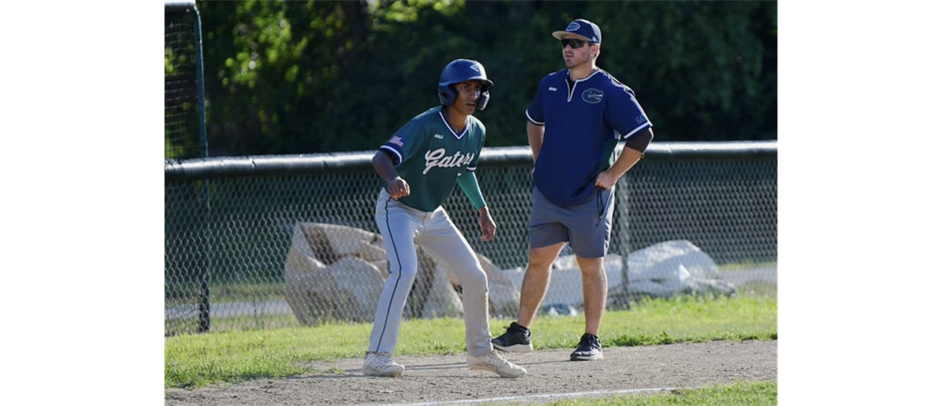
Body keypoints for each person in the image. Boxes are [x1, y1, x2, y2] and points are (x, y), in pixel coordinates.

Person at [491, 18, 654, 361]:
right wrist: (539, 159)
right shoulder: (550, 84)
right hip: (549, 192)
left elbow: (642, 135)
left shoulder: (611, 91)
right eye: (565, 42)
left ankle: (591, 339)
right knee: (537, 260)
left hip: (587, 196)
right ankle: (521, 332)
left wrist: (612, 174)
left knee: (590, 265)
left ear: (594, 50)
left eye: (577, 43)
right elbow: (535, 122)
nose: (568, 48)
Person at [363, 59, 527, 379]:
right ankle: (377, 356)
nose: (473, 94)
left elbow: (465, 171)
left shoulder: (476, 130)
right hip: (398, 210)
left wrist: (482, 209)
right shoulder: (425, 125)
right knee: (404, 270)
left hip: (434, 215)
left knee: (476, 276)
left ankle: (481, 354)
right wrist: (393, 178)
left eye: (478, 88)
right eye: (465, 87)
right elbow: (381, 157)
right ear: (447, 93)